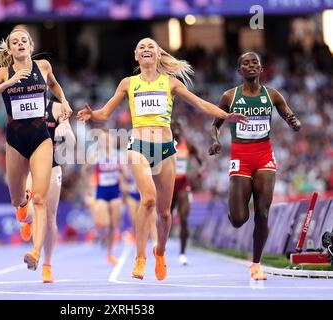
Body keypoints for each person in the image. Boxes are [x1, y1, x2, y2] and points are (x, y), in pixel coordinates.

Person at [77, 37, 246, 281]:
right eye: (142, 47)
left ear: (158, 55)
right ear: (136, 55)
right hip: (138, 146)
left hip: (166, 148)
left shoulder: (170, 83)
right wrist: (93, 114)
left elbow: (199, 103)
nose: (146, 49)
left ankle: (161, 252)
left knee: (165, 213)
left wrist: (225, 115)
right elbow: (105, 112)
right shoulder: (128, 83)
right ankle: (140, 258)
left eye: (151, 47)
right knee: (148, 199)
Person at [0, 29, 72, 272]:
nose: (20, 44)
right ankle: (23, 206)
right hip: (15, 142)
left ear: (31, 45)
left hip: (41, 139)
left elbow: (54, 84)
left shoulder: (43, 66)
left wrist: (63, 101)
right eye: (15, 42)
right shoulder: (4, 72)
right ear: (10, 50)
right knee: (16, 199)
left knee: (41, 200)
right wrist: (9, 82)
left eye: (24, 40)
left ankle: (35, 253)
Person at [209, 51, 301, 280]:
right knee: (240, 219)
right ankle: (233, 213)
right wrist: (215, 140)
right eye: (245, 64)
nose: (250, 66)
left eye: (255, 63)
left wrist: (294, 121)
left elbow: (288, 113)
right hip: (240, 158)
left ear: (261, 69)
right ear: (239, 71)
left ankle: (256, 264)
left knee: (262, 212)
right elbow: (215, 125)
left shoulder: (272, 95)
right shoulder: (229, 97)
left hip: (264, 157)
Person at [19, 96, 76, 283]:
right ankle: (28, 221)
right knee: (27, 211)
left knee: (50, 217)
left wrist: (65, 130)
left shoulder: (57, 108)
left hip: (52, 166)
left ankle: (46, 265)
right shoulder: (22, 105)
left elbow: (72, 142)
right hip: (29, 166)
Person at [83, 129, 123, 265]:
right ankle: (103, 237)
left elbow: (124, 172)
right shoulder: (96, 154)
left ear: (112, 140)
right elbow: (85, 170)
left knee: (114, 224)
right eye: (103, 138)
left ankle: (110, 253)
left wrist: (125, 184)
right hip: (101, 191)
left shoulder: (118, 154)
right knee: (105, 224)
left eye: (108, 138)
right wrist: (88, 185)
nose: (106, 140)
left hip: (115, 191)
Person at [170, 119, 204, 266]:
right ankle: (160, 249)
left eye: (179, 127)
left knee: (184, 218)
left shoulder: (187, 145)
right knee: (166, 216)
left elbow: (200, 162)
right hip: (168, 185)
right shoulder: (162, 144)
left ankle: (182, 253)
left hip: (183, 184)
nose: (176, 130)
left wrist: (197, 172)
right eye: (174, 127)